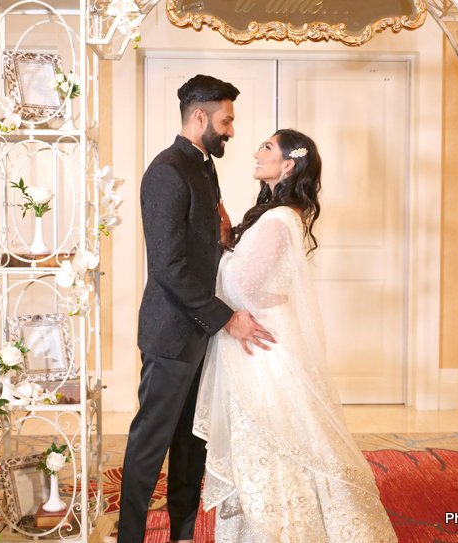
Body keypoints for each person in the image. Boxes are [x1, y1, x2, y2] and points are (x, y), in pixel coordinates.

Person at [193, 129, 398, 542]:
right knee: (282, 430)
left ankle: (281, 527)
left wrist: (219, 273)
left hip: (257, 337)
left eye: (266, 148)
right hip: (263, 329)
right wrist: (227, 243)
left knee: (269, 432)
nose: (255, 152)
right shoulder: (281, 214)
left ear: (287, 165)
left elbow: (246, 286)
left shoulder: (278, 218)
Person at [118, 75, 275, 543]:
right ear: (200, 116)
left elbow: (200, 246)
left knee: (191, 444)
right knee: (151, 443)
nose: (231, 130)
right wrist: (227, 317)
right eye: (226, 120)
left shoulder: (205, 167)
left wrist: (224, 240)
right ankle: (129, 537)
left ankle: (182, 535)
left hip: (200, 335)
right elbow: (167, 266)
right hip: (170, 334)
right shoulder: (166, 170)